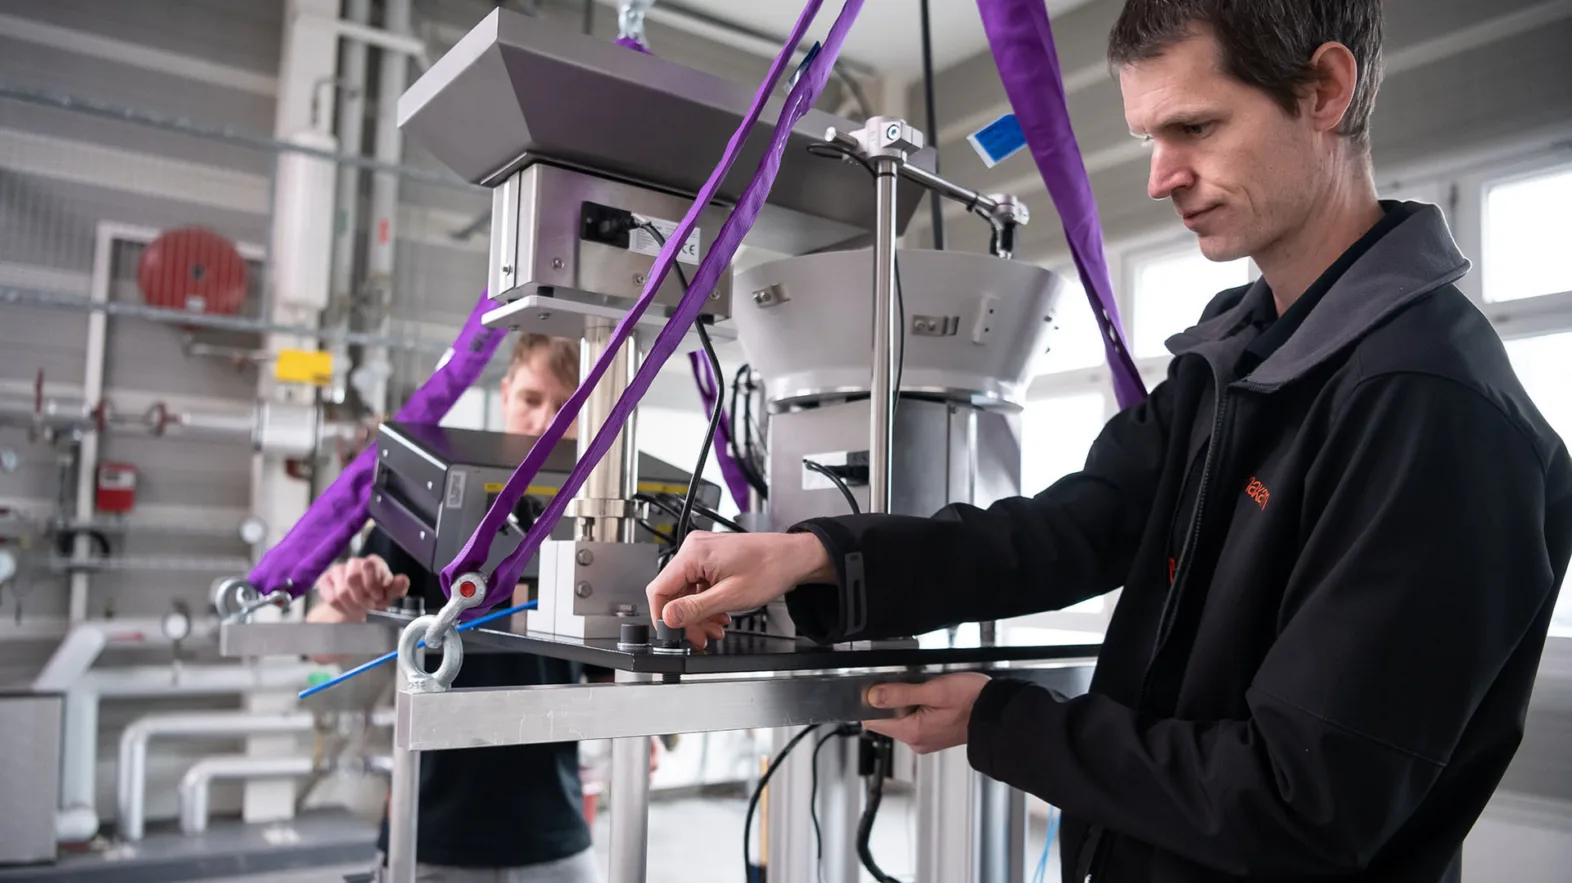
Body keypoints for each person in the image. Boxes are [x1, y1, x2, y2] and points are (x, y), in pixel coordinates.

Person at [646, 3, 1572, 882]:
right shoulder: (1241, 349)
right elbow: (1071, 529)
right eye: (1149, 139)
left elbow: (1304, 800)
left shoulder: (1433, 410)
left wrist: (1005, 721)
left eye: (1196, 129)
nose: (1160, 177)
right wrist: (813, 555)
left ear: (1324, 90)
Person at [310, 333, 607, 883]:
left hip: (554, 836)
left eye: (566, 407)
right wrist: (352, 601)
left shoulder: (596, 523)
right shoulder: (431, 506)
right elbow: (320, 643)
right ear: (504, 394)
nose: (544, 423)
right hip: (430, 836)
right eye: (532, 399)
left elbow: (608, 665)